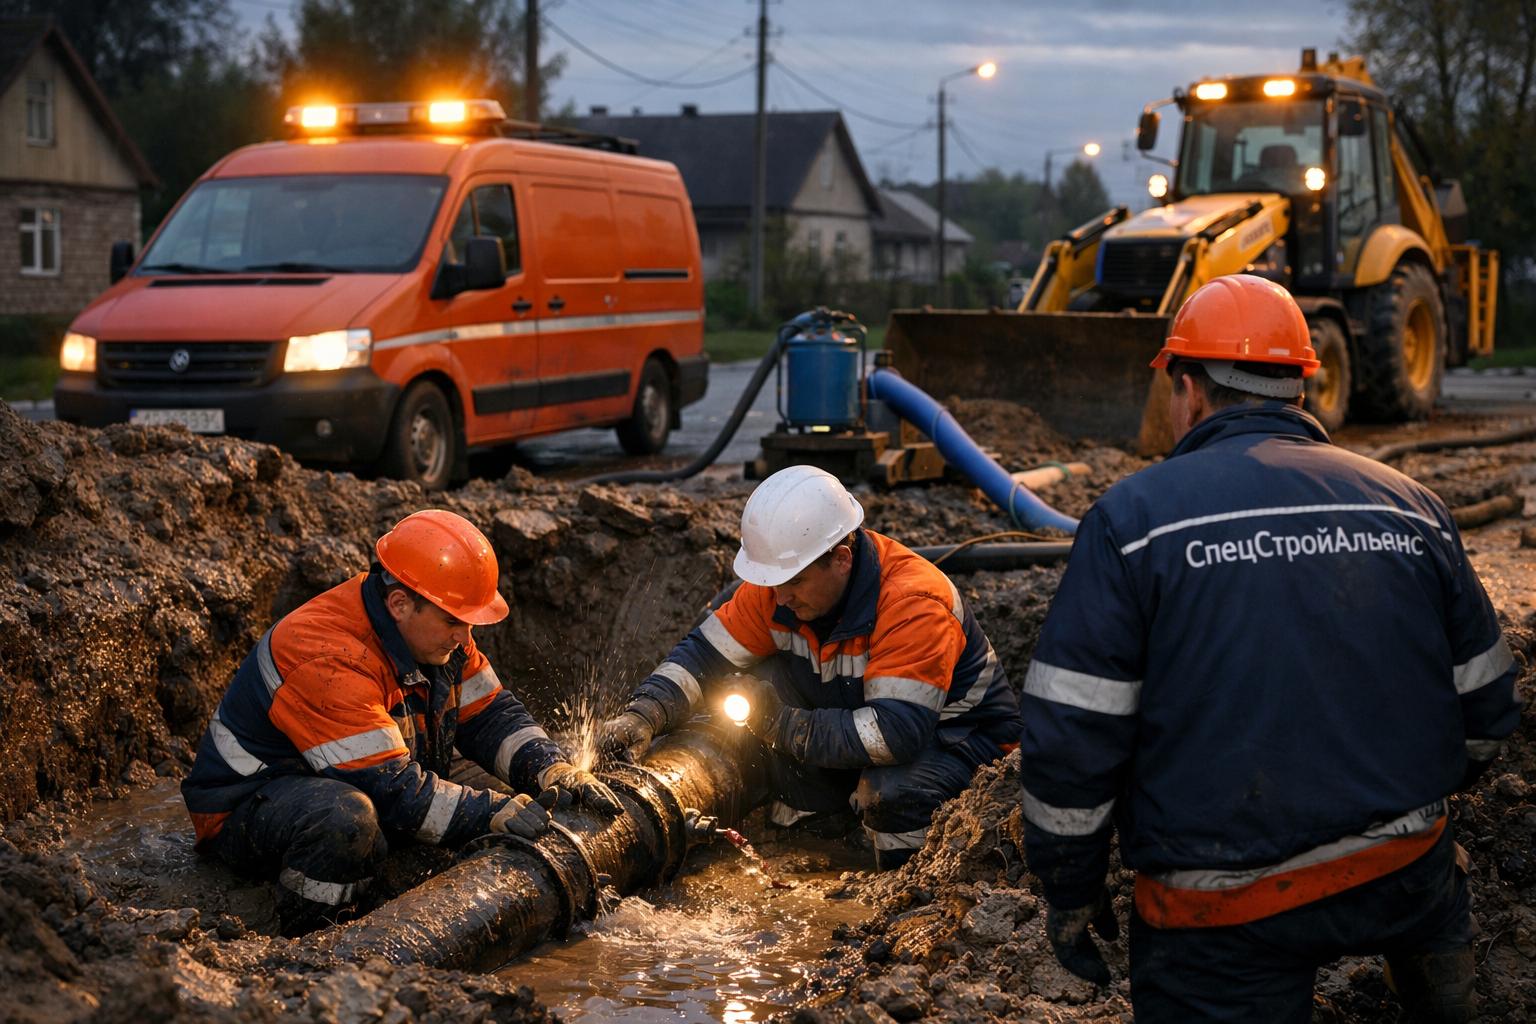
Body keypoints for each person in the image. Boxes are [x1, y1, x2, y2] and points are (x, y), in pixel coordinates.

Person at [1017, 274, 1521, 1021]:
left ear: (1188, 388)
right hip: (1405, 869)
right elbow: (1487, 706)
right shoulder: (1409, 505)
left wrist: (1069, 885)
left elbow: (1073, 731)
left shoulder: (1132, 521)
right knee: (1433, 907)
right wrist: (1413, 805)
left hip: (1222, 908)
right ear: (1302, 385)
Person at [182, 509, 621, 933]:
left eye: (469, 623)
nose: (465, 638)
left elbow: (490, 715)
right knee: (347, 821)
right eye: (454, 621)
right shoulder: (326, 655)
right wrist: (491, 812)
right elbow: (390, 789)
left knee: (506, 796)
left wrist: (550, 768)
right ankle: (317, 936)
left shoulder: (436, 636)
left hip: (350, 776)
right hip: (247, 806)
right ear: (398, 603)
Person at [600, 465, 1022, 869]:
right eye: (772, 583)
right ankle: (820, 829)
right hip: (856, 722)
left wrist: (779, 723)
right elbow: (703, 656)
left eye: (795, 583)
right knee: (747, 689)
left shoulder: (913, 603)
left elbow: (894, 735)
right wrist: (645, 714)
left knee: (893, 795)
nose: (780, 598)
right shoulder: (778, 586)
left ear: (840, 558)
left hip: (961, 746)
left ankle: (905, 886)